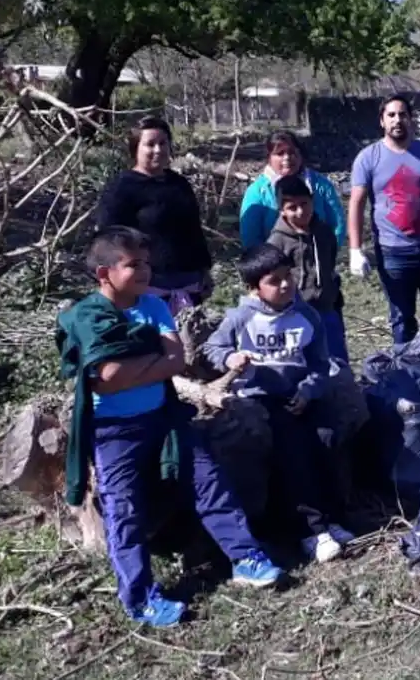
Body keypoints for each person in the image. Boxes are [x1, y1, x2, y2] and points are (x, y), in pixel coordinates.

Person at [55, 227, 283, 628]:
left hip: (164, 417)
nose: (144, 271)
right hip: (114, 431)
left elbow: (177, 360)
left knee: (208, 480)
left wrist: (135, 367)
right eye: (133, 265)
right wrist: (150, 363)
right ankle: (140, 597)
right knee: (124, 510)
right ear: (104, 274)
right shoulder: (86, 316)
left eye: (146, 262)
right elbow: (105, 376)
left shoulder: (154, 307)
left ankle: (245, 556)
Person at [201, 244, 357, 564]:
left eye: (289, 276)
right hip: (261, 398)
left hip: (300, 394)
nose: (286, 285)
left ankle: (332, 518)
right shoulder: (240, 317)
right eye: (275, 280)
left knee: (327, 438)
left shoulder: (307, 316)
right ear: (254, 288)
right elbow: (213, 349)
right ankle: (309, 532)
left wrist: (308, 391)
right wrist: (231, 357)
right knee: (292, 449)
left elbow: (319, 365)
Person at [347, 94, 420, 346]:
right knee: (402, 318)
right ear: (382, 121)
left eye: (402, 114)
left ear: (411, 119)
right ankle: (406, 372)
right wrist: (355, 250)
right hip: (393, 253)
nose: (397, 120)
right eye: (391, 115)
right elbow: (356, 204)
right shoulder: (368, 158)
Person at [94, 116, 213, 314]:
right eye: (150, 144)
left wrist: (204, 269)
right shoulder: (122, 188)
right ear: (136, 148)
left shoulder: (179, 184)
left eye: (163, 143)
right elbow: (110, 238)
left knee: (191, 339)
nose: (158, 150)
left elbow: (194, 229)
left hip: (188, 282)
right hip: (148, 285)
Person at [266, 175, 349, 364]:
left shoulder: (324, 232)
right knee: (306, 364)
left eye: (305, 203)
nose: (301, 211)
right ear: (282, 211)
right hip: (296, 313)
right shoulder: (277, 242)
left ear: (312, 202)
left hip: (328, 308)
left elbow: (330, 262)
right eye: (292, 207)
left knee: (337, 361)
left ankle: (342, 391)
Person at [239, 130, 347, 252]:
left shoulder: (320, 185)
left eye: (292, 152)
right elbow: (250, 238)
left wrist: (325, 255)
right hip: (274, 266)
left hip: (317, 262)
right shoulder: (257, 192)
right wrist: (271, 265)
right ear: (269, 158)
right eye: (280, 153)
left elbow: (337, 225)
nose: (287, 158)